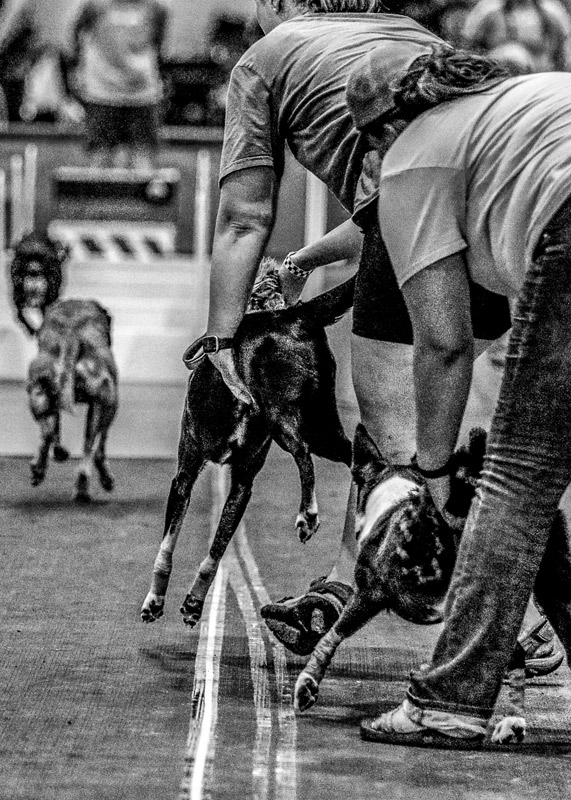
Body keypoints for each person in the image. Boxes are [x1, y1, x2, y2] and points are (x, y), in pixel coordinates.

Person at [199, 0, 563, 674]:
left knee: (409, 451)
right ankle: (347, 583)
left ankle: (515, 627)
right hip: (495, 219)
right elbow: (384, 205)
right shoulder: (420, 48)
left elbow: (245, 215)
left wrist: (222, 340)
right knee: (428, 445)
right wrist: (309, 260)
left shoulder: (269, 56)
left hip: (457, 222)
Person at [343, 44, 571, 746]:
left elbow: (442, 342)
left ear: (382, 127)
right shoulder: (523, 100)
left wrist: (433, 475)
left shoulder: (415, 154)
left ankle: (450, 701)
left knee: (518, 474)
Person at [68, 0, 169, 169]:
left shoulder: (156, 7)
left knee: (142, 158)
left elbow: (158, 43)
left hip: (142, 94)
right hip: (102, 94)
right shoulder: (94, 5)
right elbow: (77, 37)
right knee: (99, 157)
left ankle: (141, 194)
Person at [462, 0, 571, 71]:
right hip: (497, 76)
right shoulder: (488, 9)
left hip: (541, 75)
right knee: (514, 55)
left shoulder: (551, 10)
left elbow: (565, 48)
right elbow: (467, 44)